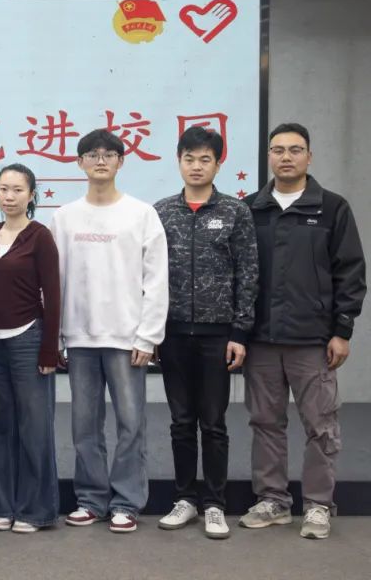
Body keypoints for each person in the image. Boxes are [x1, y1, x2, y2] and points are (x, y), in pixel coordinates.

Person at [240, 123, 366, 540]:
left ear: (309, 157)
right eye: (278, 150)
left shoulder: (332, 208)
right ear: (268, 157)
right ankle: (273, 500)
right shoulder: (250, 209)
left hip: (313, 340)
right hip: (261, 339)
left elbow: (350, 271)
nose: (286, 157)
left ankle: (317, 505)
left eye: (295, 150)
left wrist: (342, 330)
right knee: (265, 423)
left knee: (321, 425)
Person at [51, 129, 168, 534]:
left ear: (121, 161)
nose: (100, 161)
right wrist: (57, 336)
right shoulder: (64, 217)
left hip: (126, 338)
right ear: (79, 162)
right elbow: (55, 281)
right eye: (92, 154)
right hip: (80, 337)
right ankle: (91, 499)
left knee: (131, 425)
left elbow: (157, 280)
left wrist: (148, 336)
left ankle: (127, 502)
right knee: (84, 427)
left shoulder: (141, 214)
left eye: (108, 154)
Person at [153, 127, 259, 540]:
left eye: (205, 159)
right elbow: (149, 275)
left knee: (213, 422)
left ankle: (215, 504)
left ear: (218, 163)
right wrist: (153, 331)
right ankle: (184, 499)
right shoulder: (161, 212)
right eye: (189, 159)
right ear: (178, 161)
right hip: (173, 333)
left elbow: (248, 274)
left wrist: (240, 332)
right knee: (181, 421)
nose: (196, 166)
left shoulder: (235, 212)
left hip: (218, 335)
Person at [0, 164, 61, 534]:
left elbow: (53, 296)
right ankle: (2, 506)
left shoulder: (40, 237)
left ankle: (35, 510)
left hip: (29, 339)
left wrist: (49, 350)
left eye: (17, 190)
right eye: (3, 189)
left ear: (31, 195)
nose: (9, 197)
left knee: (34, 428)